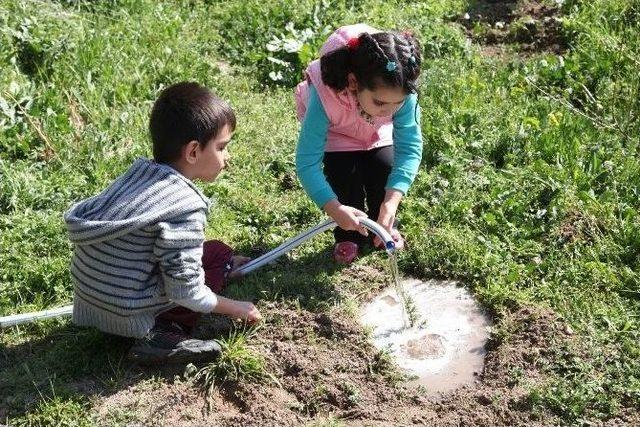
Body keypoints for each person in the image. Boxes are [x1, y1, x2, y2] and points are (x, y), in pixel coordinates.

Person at [64, 82, 261, 365]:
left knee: (217, 252)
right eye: (222, 147)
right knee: (200, 282)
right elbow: (186, 291)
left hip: (93, 301)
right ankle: (161, 336)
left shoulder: (139, 174)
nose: (227, 157)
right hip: (128, 313)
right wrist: (236, 308)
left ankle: (224, 268)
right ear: (193, 152)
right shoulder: (185, 206)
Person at [295, 24, 423, 264]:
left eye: (398, 104)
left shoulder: (399, 90)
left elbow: (409, 148)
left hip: (376, 134)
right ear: (354, 83)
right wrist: (334, 209)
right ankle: (348, 233)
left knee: (384, 169)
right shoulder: (324, 96)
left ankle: (383, 224)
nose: (390, 111)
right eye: (380, 103)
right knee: (343, 178)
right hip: (337, 134)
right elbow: (306, 163)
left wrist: (391, 202)